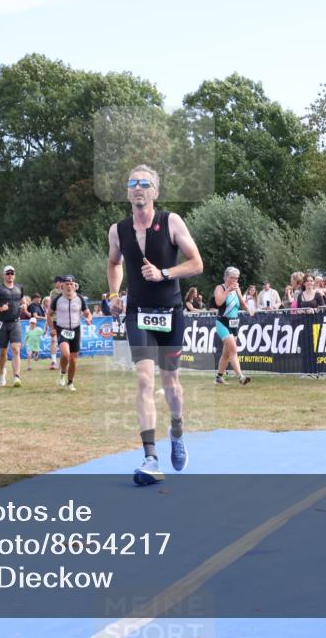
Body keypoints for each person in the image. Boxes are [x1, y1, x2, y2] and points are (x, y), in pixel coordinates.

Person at [107, 164, 203, 486]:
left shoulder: (171, 222)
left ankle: (176, 429)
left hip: (170, 312)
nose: (138, 188)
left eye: (144, 184)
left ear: (155, 191)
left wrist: (164, 274)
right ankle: (150, 457)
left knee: (171, 384)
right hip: (137, 312)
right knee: (144, 379)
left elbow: (196, 263)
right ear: (127, 191)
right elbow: (114, 263)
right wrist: (114, 293)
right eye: (133, 183)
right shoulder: (117, 230)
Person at [47, 275, 93, 391]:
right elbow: (49, 314)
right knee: (66, 354)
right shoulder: (57, 299)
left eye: (71, 284)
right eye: (66, 284)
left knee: (73, 360)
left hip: (76, 329)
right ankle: (62, 373)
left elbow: (87, 313)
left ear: (75, 286)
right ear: (62, 286)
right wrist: (52, 328)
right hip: (62, 329)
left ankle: (70, 383)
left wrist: (88, 318)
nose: (69, 286)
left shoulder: (80, 299)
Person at [212, 267, 250, 386]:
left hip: (234, 324)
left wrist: (250, 310)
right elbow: (218, 302)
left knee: (227, 353)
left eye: (236, 278)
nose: (234, 280)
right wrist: (228, 289)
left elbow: (242, 304)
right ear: (226, 277)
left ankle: (219, 377)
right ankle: (241, 377)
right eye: (232, 278)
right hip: (222, 323)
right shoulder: (220, 288)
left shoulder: (237, 289)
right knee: (233, 350)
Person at [0, 265, 24, 387]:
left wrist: (24, 304)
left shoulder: (19, 287)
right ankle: (2, 374)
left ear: (14, 275)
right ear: (3, 275)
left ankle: (16, 377)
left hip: (16, 322)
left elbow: (22, 299)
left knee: (16, 349)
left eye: (12, 273)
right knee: (3, 351)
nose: (10, 275)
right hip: (2, 324)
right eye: (8, 273)